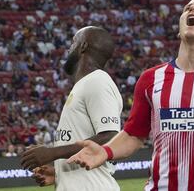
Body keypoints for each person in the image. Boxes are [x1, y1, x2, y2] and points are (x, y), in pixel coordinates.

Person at [67, 0, 194, 190]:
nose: (192, 10)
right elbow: (133, 135)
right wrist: (104, 151)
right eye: (188, 8)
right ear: (180, 30)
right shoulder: (150, 79)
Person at [20, 26, 123, 191]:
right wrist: (59, 172)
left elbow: (110, 136)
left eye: (73, 42)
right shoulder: (85, 84)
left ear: (82, 46)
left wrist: (52, 153)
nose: (69, 48)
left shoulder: (98, 81)